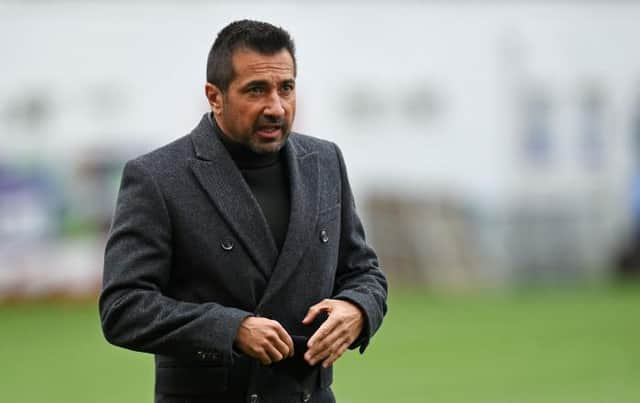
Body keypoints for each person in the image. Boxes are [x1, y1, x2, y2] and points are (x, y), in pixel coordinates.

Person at [99, 19, 388, 403]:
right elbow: (123, 307)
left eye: (286, 88)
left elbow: (363, 271)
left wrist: (358, 309)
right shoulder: (157, 177)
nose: (276, 106)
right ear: (214, 96)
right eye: (256, 90)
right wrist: (231, 328)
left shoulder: (325, 161)